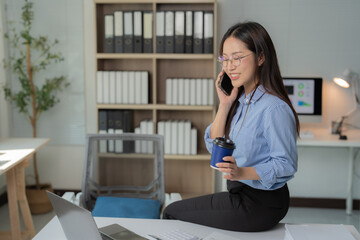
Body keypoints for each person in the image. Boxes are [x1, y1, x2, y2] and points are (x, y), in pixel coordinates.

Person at [162, 21, 299, 232]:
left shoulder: (273, 108)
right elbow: (213, 146)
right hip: (239, 193)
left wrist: (241, 172)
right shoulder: (241, 100)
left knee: (171, 212)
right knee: (174, 211)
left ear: (261, 57)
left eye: (237, 58)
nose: (229, 66)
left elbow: (285, 164)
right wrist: (224, 105)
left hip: (261, 203)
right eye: (225, 59)